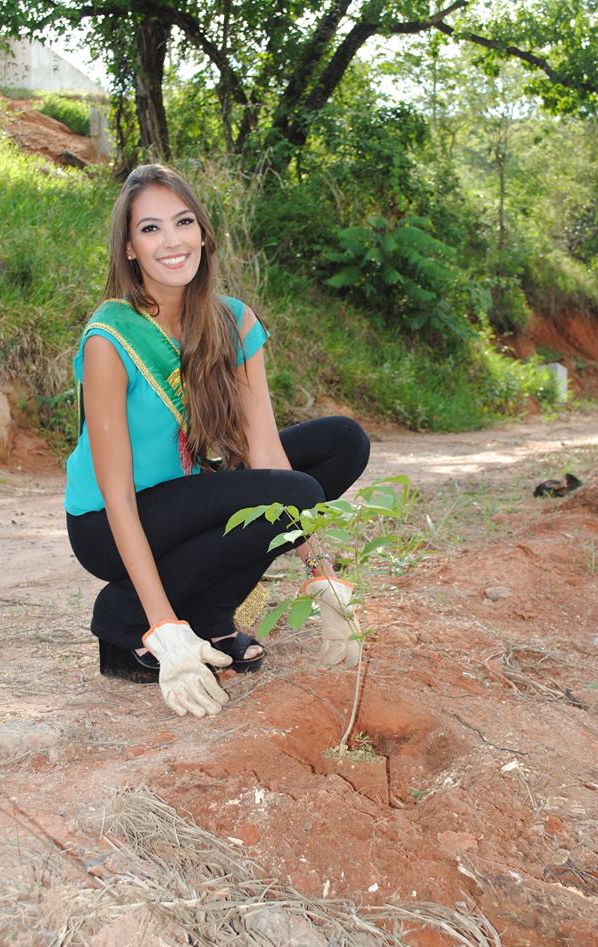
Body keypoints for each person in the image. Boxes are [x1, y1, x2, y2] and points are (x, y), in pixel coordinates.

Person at [64, 163, 370, 720]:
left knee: (341, 443)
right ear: (129, 248)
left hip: (186, 493)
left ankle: (208, 613)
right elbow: (115, 492)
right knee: (294, 490)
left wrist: (320, 571)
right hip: (109, 521)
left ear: (204, 233)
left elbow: (266, 455)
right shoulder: (110, 336)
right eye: (150, 229)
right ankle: (131, 617)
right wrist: (162, 625)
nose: (172, 241)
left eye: (183, 222)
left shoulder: (233, 321)